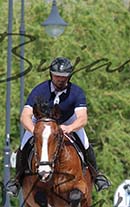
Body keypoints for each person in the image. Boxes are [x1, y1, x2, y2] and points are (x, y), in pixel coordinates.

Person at [6, 56, 111, 196]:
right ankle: (17, 180)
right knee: (23, 146)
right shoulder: (39, 90)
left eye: (64, 76)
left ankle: (97, 176)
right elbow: (25, 116)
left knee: (85, 144)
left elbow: (82, 118)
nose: (60, 79)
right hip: (41, 124)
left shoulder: (77, 92)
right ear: (51, 75)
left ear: (69, 76)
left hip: (67, 121)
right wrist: (34, 130)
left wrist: (70, 128)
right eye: (57, 76)